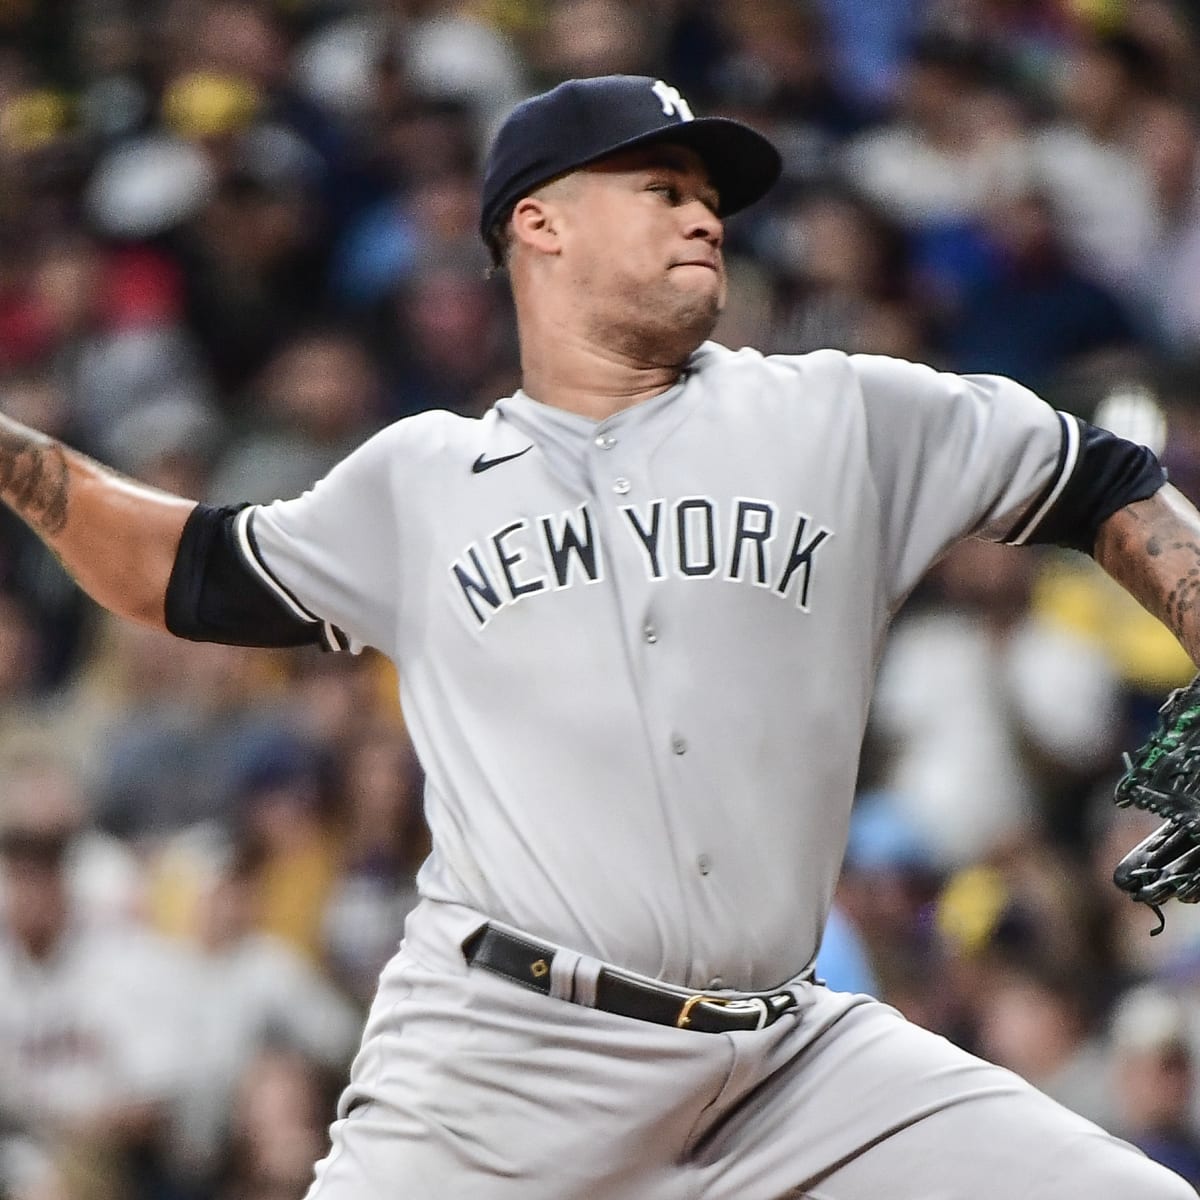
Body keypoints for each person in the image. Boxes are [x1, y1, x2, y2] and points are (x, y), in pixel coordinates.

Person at [0, 74, 1195, 1199]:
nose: (705, 220)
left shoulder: (842, 413)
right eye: (664, 191)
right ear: (541, 224)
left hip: (791, 1063)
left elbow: (1103, 477)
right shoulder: (423, 479)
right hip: (500, 1058)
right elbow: (183, 567)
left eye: (711, 200)